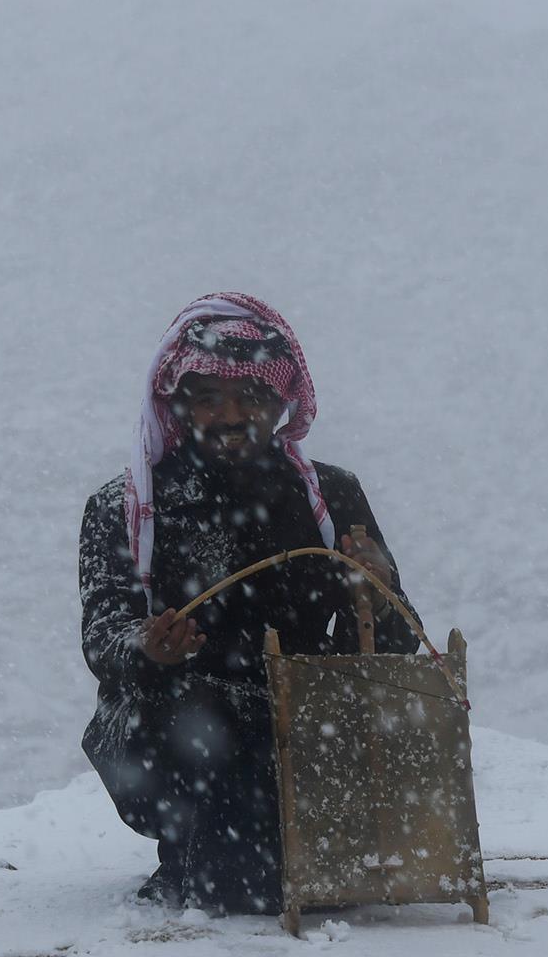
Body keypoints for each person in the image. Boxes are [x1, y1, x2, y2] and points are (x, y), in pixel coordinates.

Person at [79, 293, 418, 914]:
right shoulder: (124, 507)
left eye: (252, 397)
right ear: (178, 404)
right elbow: (103, 638)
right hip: (180, 728)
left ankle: (282, 846)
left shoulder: (331, 494)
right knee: (194, 729)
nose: (232, 415)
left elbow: (393, 646)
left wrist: (380, 594)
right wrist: (149, 649)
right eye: (209, 397)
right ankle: (201, 855)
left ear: (281, 403)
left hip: (309, 723)